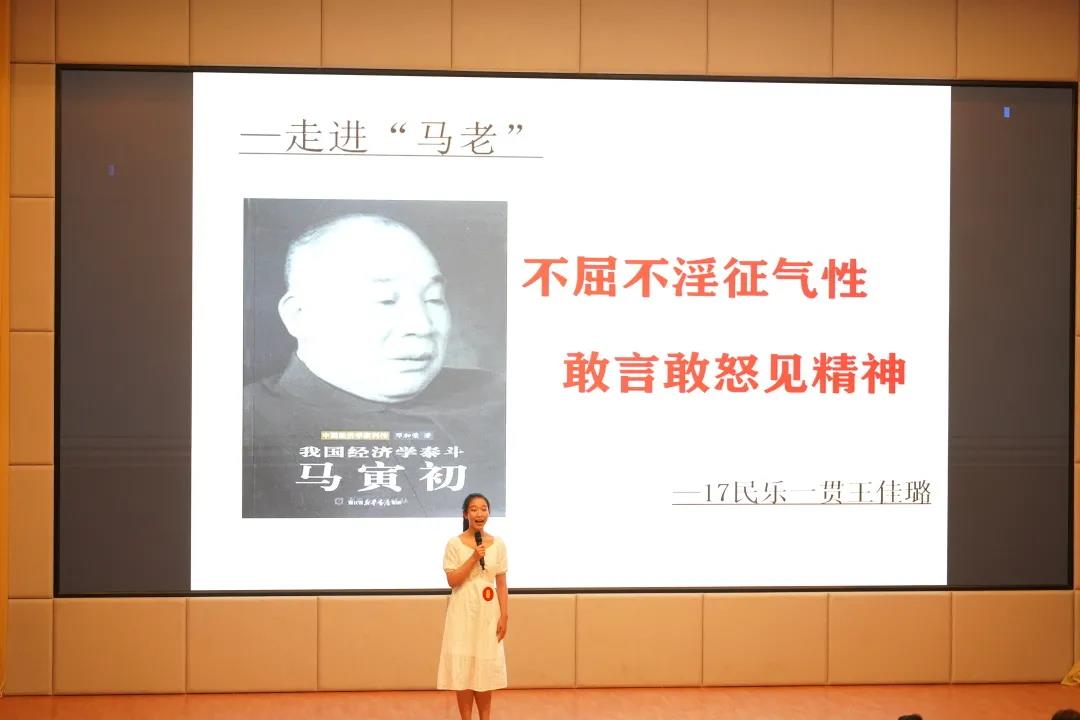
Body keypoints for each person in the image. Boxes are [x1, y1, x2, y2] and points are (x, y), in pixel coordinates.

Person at [242, 213, 506, 518]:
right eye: (385, 301)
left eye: (434, 299)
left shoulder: (501, 396)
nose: (422, 326)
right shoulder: (243, 426)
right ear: (299, 315)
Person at [437, 493, 508, 720]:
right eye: (474, 509)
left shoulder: (498, 544)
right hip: (462, 612)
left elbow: (501, 583)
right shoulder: (454, 543)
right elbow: (453, 580)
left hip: (488, 613)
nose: (479, 513)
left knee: (484, 669)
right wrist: (473, 558)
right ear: (465, 514)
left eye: (484, 509)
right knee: (464, 670)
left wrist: (504, 615)